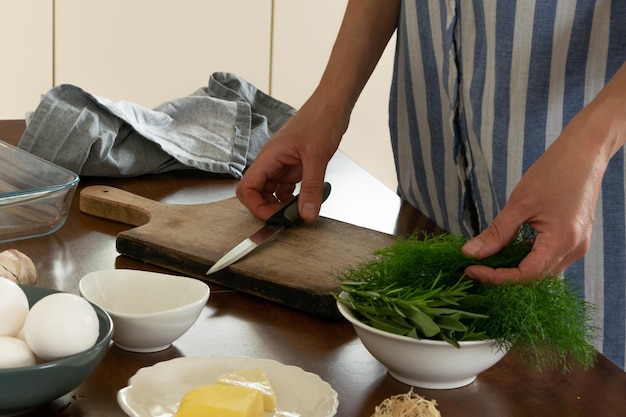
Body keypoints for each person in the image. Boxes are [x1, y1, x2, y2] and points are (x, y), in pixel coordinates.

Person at [236, 1, 626, 370]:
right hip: (434, 175)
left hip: (582, 186)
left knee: (580, 383)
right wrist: (330, 100)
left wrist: (594, 145)